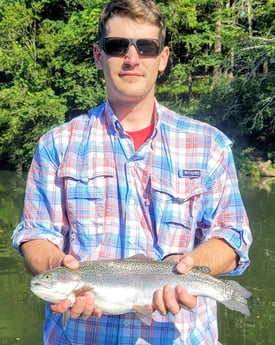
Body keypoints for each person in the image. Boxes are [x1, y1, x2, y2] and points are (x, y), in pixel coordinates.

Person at [12, 0, 252, 344]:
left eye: (146, 46)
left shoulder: (209, 144)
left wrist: (190, 264)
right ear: (98, 56)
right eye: (117, 46)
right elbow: (36, 234)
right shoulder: (56, 145)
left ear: (163, 58)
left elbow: (232, 237)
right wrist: (60, 266)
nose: (132, 58)